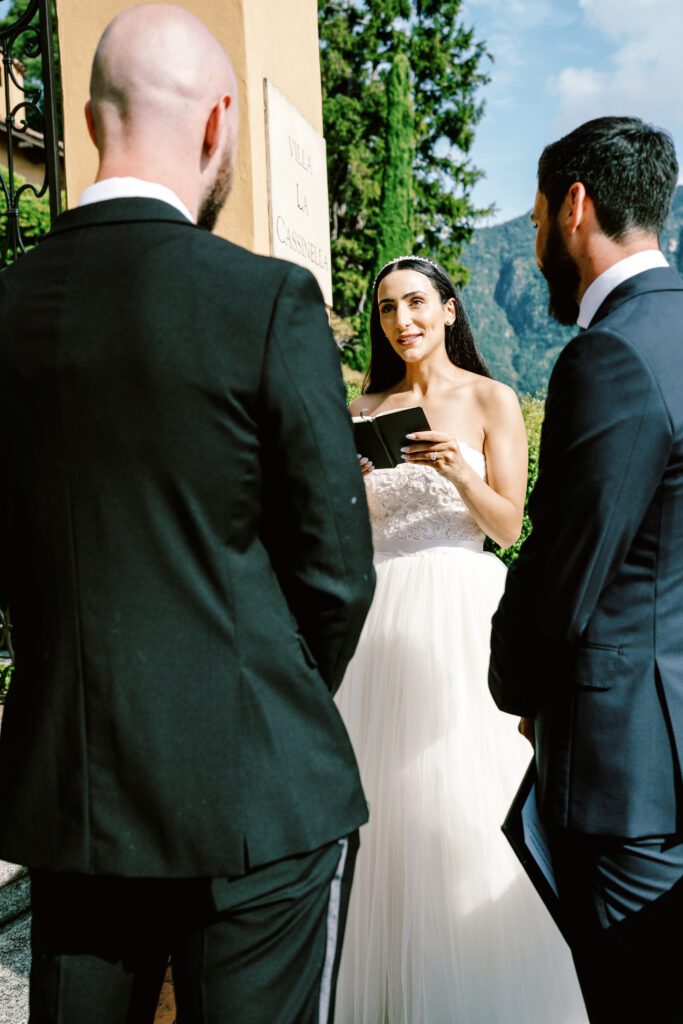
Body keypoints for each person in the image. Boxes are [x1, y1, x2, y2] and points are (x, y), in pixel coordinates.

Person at [0, 5, 375, 1022]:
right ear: (218, 124)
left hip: (77, 804)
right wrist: (258, 699)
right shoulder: (265, 300)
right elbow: (338, 569)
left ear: (85, 122)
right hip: (258, 797)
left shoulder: (7, 311)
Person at [334, 255, 587, 1022]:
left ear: (447, 310)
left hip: (462, 614)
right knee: (379, 806)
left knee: (459, 801)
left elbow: (507, 526)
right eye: (385, 309)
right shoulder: (360, 405)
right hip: (375, 626)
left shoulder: (489, 398)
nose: (400, 320)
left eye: (415, 303)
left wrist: (456, 473)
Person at [489, 115, 683, 1022]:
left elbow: (564, 567)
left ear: (574, 206)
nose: (532, 244)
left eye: (531, 222)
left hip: (626, 781)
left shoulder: (609, 354)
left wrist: (512, 685)